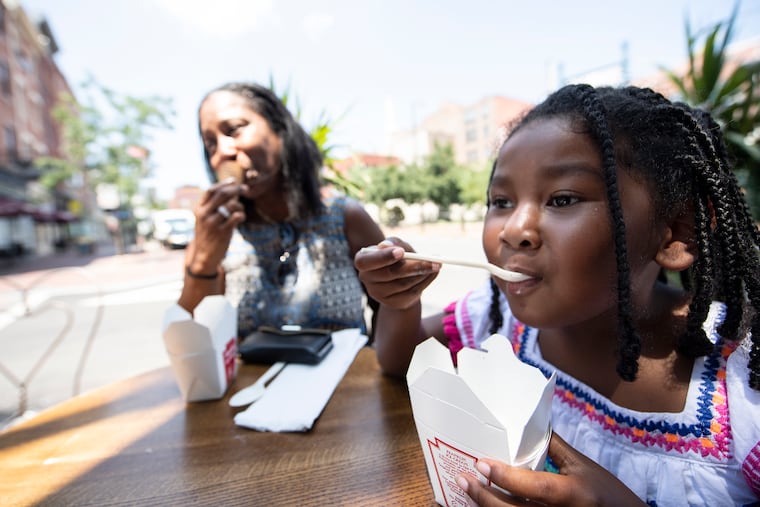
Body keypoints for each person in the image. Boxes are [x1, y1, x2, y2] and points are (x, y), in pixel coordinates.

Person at [354, 84, 760, 506]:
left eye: (562, 199)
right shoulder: (501, 326)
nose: (513, 229)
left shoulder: (744, 383)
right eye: (501, 201)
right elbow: (399, 360)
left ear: (676, 231)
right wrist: (400, 303)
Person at [178, 81, 384, 338]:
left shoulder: (345, 217)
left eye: (234, 130)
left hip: (344, 377)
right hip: (253, 380)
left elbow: (391, 308)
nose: (222, 152)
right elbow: (193, 338)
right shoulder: (219, 233)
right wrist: (204, 261)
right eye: (210, 144)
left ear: (278, 128)